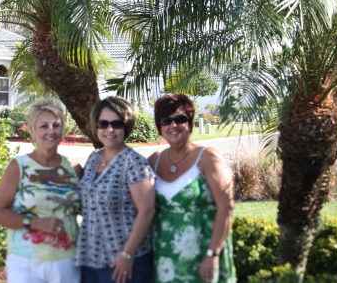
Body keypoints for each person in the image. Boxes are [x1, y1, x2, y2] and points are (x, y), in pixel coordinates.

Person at [0, 98, 83, 283]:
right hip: (26, 265)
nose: (51, 131)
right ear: (32, 131)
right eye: (44, 126)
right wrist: (35, 223)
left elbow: (85, 209)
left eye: (56, 125)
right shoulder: (19, 166)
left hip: (67, 262)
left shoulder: (74, 168)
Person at [148, 94, 236, 283]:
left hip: (203, 254)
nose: (174, 125)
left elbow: (226, 207)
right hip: (164, 258)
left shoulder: (208, 158)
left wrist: (212, 254)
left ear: (190, 122)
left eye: (180, 119)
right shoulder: (154, 161)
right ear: (159, 126)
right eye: (166, 120)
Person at [75, 96, 156, 283]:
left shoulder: (134, 162)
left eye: (116, 124)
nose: (109, 129)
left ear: (126, 126)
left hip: (123, 263)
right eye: (103, 123)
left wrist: (127, 255)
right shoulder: (94, 158)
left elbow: (147, 211)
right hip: (91, 258)